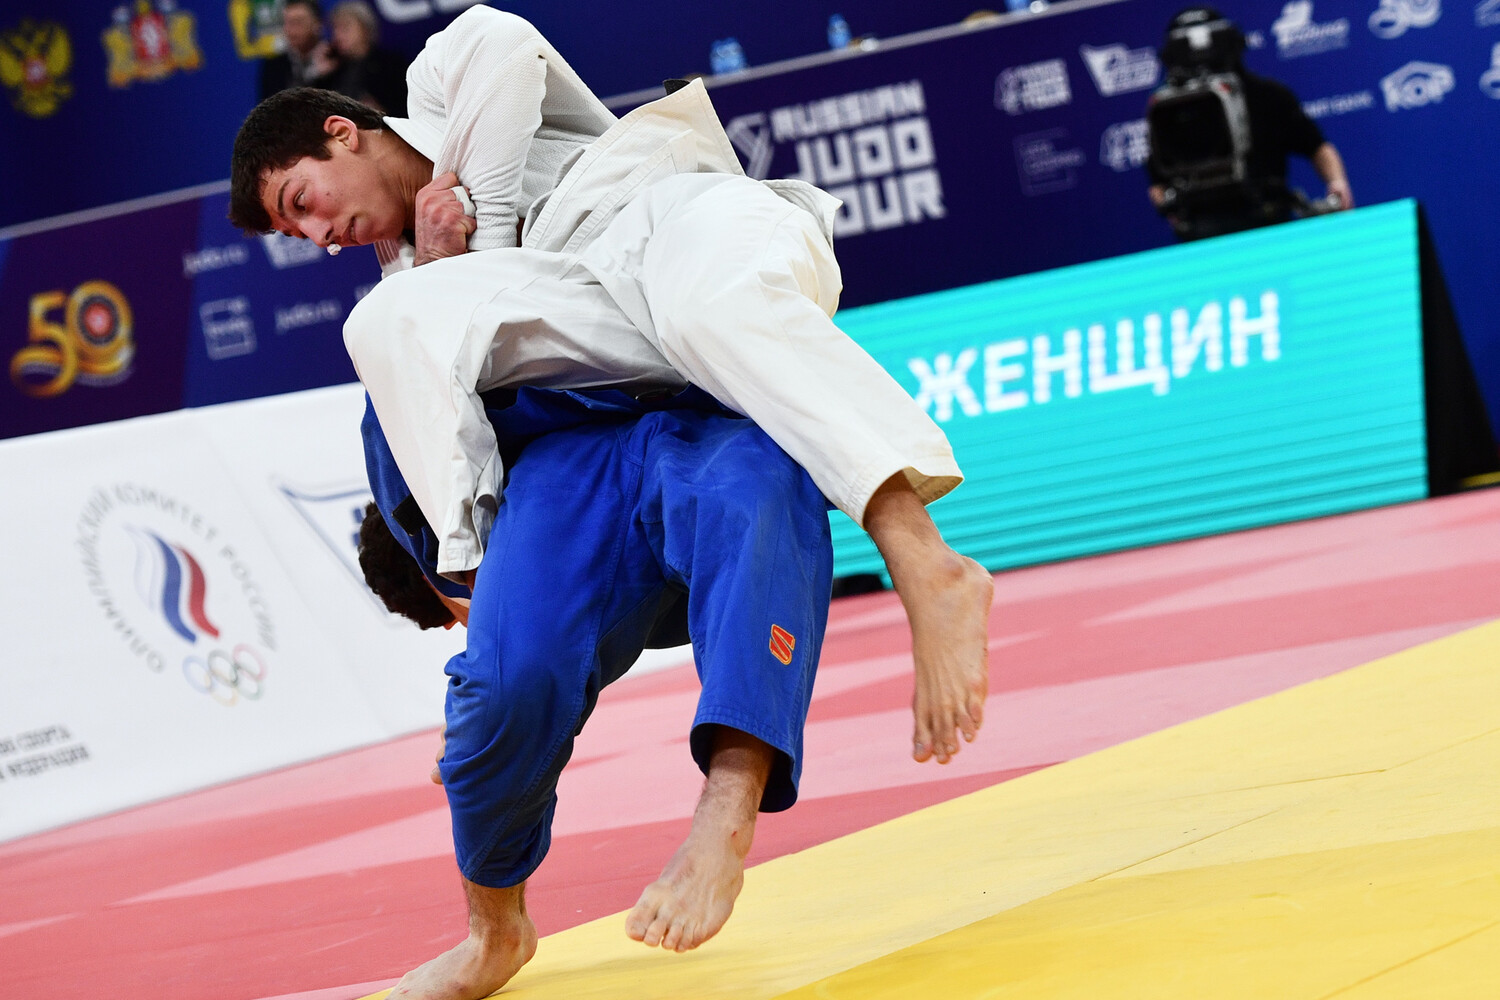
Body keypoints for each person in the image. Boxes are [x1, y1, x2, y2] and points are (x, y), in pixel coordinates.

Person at [228, 7, 992, 767]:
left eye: (302, 203)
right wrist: (443, 272)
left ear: (342, 133)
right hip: (616, 337)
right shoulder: (413, 284)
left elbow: (505, 41)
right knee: (380, 323)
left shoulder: (436, 92)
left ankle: (925, 561)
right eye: (300, 236)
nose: (321, 237)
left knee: (704, 310)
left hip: (677, 227)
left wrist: (477, 239)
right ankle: (494, 633)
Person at [357, 385, 834, 998]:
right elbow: (528, 647)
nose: (471, 616)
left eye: (462, 611)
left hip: (688, 405)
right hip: (568, 467)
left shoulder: (422, 472)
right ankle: (496, 934)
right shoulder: (432, 478)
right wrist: (485, 703)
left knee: (761, 489)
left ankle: (726, 819)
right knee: (500, 692)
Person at [1146, 6, 1353, 240]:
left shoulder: (1268, 96)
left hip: (1270, 220)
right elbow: (1157, 182)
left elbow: (1316, 146)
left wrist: (1337, 182)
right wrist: (1169, 204)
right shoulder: (1167, 111)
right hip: (1202, 231)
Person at [322, 0, 408, 115]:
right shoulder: (333, 71)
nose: (337, 35)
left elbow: (407, 108)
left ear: (365, 29)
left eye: (345, 28)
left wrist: (381, 112)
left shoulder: (391, 65)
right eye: (335, 29)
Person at [258, 0, 337, 99]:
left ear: (317, 23)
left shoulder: (335, 58)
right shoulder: (273, 65)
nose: (291, 30)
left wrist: (320, 77)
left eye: (298, 22)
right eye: (287, 22)